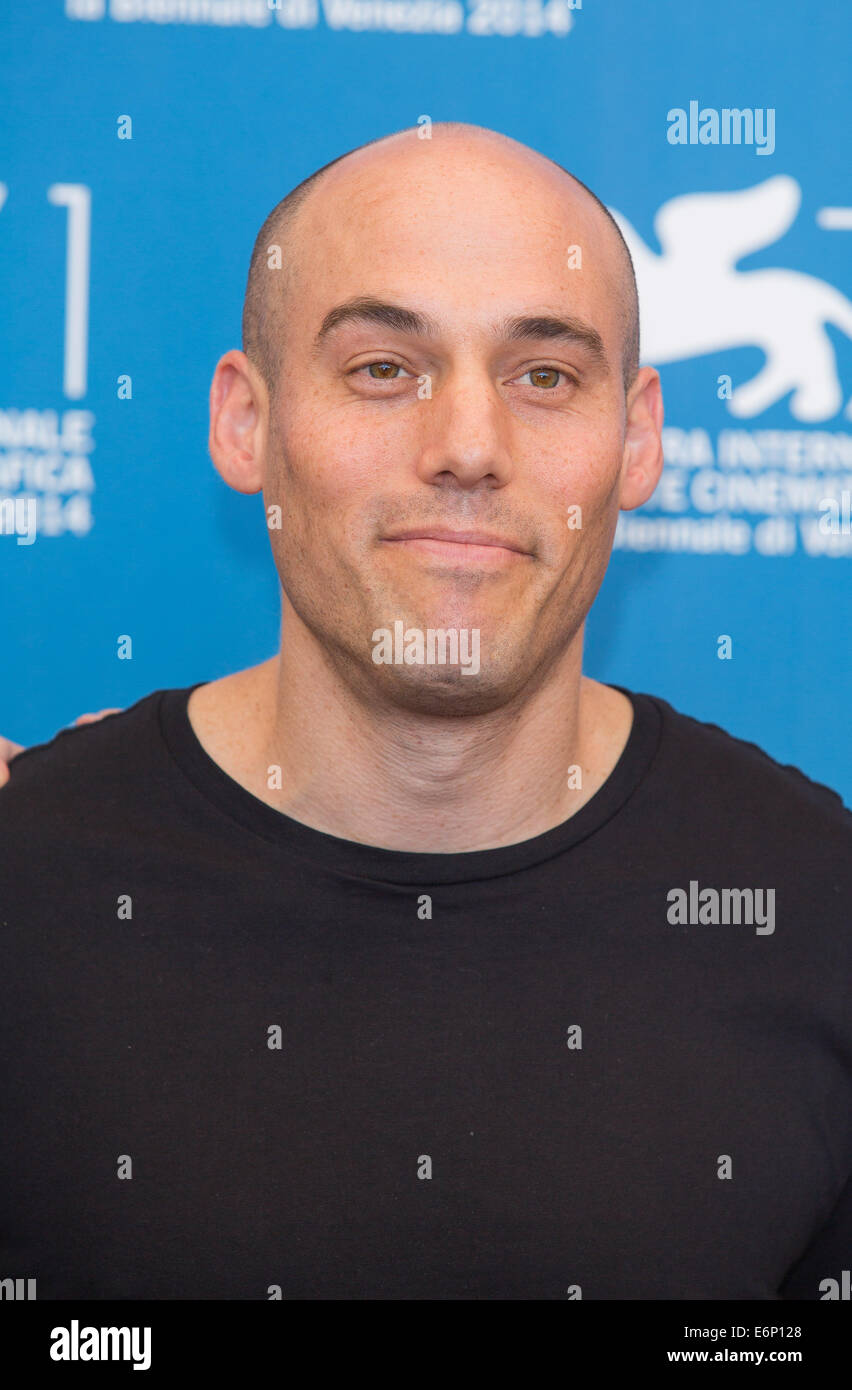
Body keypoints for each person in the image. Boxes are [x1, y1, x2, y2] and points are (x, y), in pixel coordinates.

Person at [1, 122, 850, 1301]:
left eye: (543, 376)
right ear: (247, 422)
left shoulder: (816, 909)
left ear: (637, 439)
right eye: (383, 369)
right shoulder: (29, 881)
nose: (467, 447)